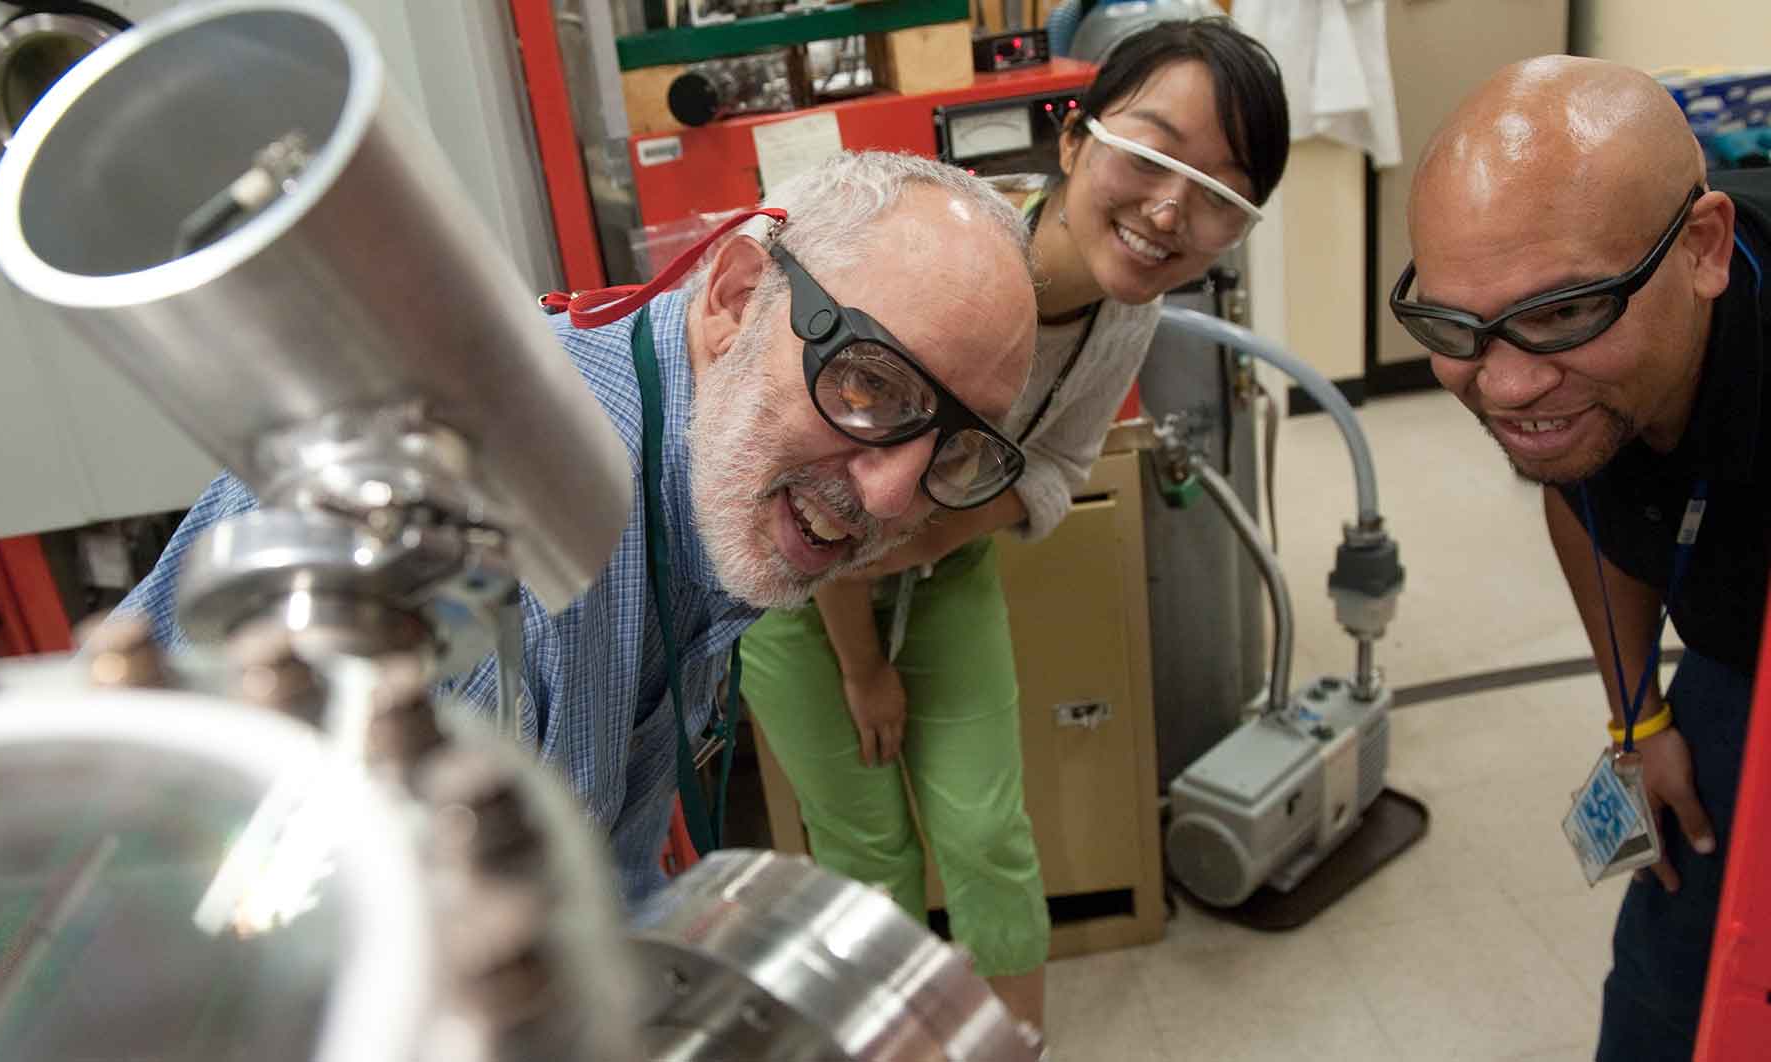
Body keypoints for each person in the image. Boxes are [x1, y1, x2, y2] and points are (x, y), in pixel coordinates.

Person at [114, 151, 1040, 910]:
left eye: (956, 453)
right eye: (869, 385)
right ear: (734, 297)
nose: (889, 499)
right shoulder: (483, 524)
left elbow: (589, 884)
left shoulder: (710, 487)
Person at [739, 18, 1289, 1031]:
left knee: (985, 830)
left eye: (1218, 195)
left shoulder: (1128, 316)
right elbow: (835, 499)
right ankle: (894, 1040)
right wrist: (864, 668)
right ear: (1074, 138)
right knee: (865, 846)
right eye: (1154, 154)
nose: (1172, 211)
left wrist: (940, 539)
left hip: (938, 573)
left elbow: (1059, 467)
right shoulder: (943, 257)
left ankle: (1013, 1043)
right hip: (800, 584)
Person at [1393, 56, 1770, 1059]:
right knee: (1664, 981)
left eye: (1563, 312)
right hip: (1728, 642)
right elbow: (1582, 502)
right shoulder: (1583, 375)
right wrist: (1638, 715)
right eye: (1454, 322)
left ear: (1704, 249)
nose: (1508, 385)